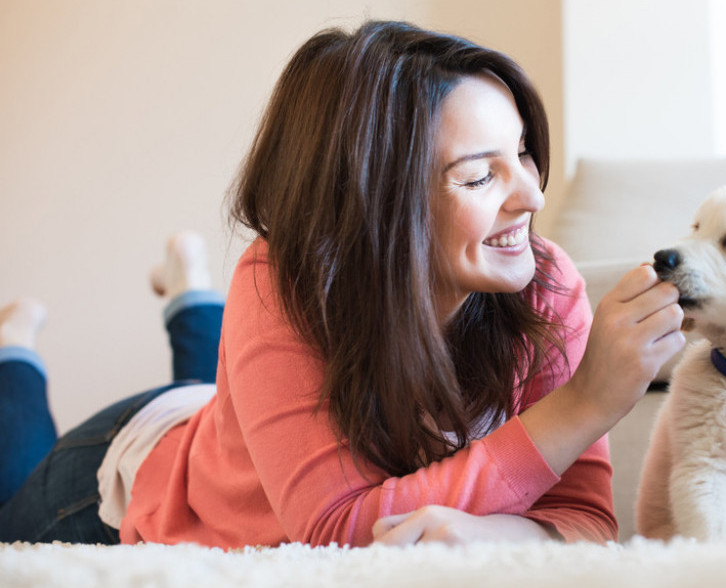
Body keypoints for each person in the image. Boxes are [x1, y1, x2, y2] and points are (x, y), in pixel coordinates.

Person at [0, 20, 685, 547]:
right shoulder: (285, 278)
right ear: (375, 202)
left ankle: (189, 294)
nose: (532, 196)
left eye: (525, 154)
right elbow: (332, 529)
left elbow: (583, 521)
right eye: (480, 176)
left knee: (223, 393)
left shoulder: (544, 284)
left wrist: (485, 534)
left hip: (234, 426)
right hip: (128, 473)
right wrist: (584, 403)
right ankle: (17, 348)